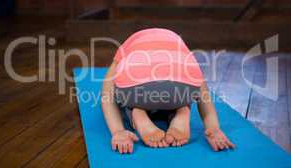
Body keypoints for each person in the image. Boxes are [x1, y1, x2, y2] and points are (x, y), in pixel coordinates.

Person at [101, 28, 235, 154]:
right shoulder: (178, 44)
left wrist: (118, 131)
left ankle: (136, 111)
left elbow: (107, 91)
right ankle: (182, 109)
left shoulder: (127, 46)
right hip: (181, 90)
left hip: (138, 91)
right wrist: (213, 127)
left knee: (123, 98)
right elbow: (200, 85)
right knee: (182, 91)